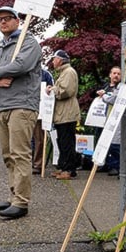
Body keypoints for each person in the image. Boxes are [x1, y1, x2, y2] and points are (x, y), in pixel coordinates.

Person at [0, 6, 42, 219]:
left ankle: (21, 202)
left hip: (22, 105)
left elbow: (21, 65)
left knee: (20, 154)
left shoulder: (29, 42)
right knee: (8, 155)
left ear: (18, 21)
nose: (3, 22)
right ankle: (14, 195)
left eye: (7, 18)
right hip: (2, 106)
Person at [47, 50, 81, 180]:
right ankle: (62, 167)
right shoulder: (64, 72)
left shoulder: (69, 72)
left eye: (54, 59)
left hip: (67, 114)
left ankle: (68, 169)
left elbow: (66, 91)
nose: (53, 61)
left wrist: (52, 90)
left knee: (67, 142)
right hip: (63, 114)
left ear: (60, 60)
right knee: (62, 141)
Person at [98, 65, 122, 176]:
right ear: (110, 75)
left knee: (114, 144)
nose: (116, 75)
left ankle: (115, 166)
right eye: (114, 73)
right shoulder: (107, 87)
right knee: (106, 142)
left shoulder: (120, 88)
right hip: (106, 118)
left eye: (118, 74)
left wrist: (104, 96)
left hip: (116, 119)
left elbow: (113, 99)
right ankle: (107, 164)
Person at [32, 67, 54, 175]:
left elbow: (52, 91)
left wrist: (49, 90)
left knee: (39, 139)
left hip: (39, 112)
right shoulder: (25, 72)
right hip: (26, 109)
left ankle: (37, 164)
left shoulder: (46, 75)